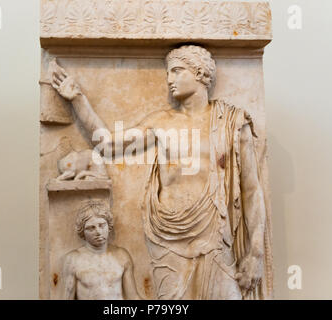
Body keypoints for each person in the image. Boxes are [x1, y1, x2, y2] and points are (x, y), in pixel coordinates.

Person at [52, 45, 269, 299]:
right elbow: (108, 145)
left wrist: (255, 254)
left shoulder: (232, 122)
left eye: (177, 71)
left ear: (200, 74)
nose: (169, 80)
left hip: (214, 235)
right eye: (168, 73)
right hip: (168, 240)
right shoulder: (161, 123)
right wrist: (78, 98)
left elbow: (252, 190)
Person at [61, 201, 141, 300]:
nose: (98, 232)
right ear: (83, 231)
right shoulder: (73, 259)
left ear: (109, 226)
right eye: (91, 228)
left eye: (102, 225)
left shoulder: (121, 255)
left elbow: (133, 297)